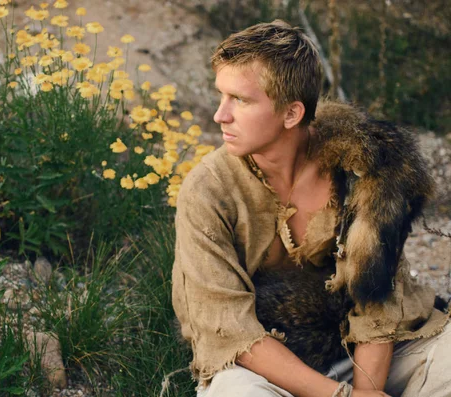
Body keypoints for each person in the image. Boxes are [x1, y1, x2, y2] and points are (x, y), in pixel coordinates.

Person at [171, 20, 451, 397]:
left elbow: (379, 300)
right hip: (267, 359)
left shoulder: (365, 165)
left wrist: (367, 391)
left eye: (241, 100)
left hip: (379, 347)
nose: (221, 115)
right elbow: (227, 326)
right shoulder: (208, 191)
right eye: (221, 96)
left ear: (291, 114)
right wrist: (340, 396)